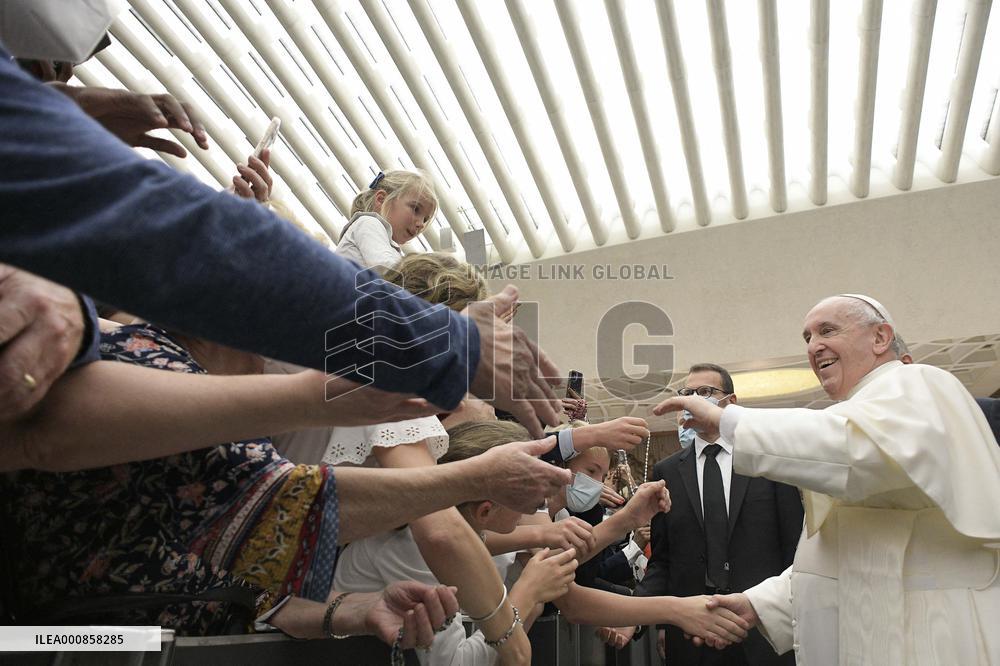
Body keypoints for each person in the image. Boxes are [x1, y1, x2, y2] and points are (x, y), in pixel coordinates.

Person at [0, 33, 561, 437]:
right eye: (50, 63)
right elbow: (208, 245)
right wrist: (445, 342)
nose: (62, 78)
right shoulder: (367, 237)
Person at [1, 319, 570, 640]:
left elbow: (237, 582)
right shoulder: (148, 365)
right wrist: (477, 477)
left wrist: (348, 611)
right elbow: (278, 511)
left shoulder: (187, 384)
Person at [654, 295, 1000, 664]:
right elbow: (840, 551)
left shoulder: (920, 384)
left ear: (881, 337)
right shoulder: (852, 417)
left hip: (930, 638)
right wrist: (759, 603)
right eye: (807, 337)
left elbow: (862, 451)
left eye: (827, 330)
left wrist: (728, 421)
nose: (813, 346)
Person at [333, 420, 581, 665]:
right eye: (524, 496)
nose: (531, 508)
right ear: (485, 511)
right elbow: (456, 662)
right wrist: (527, 592)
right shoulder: (412, 545)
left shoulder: (469, 533)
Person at [628, 364, 802, 665]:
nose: (694, 399)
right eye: (688, 393)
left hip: (762, 629)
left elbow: (794, 551)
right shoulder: (666, 472)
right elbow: (664, 561)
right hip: (693, 633)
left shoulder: (768, 463)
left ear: (730, 403)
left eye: (706, 392)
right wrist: (637, 615)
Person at [336, 170, 437, 269]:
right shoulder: (368, 223)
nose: (421, 224)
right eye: (415, 209)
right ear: (381, 199)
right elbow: (388, 271)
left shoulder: (386, 244)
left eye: (425, 219)